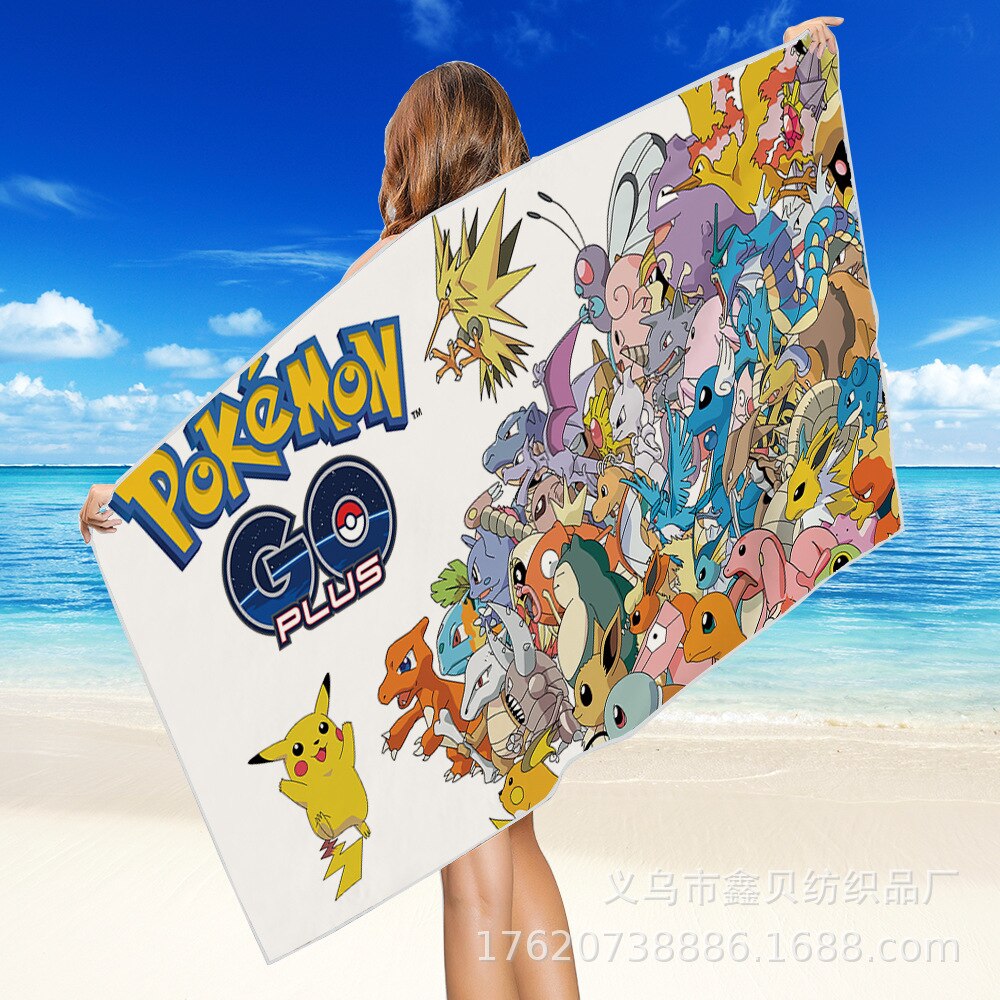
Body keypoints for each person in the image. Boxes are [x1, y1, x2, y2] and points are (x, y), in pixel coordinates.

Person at [79, 17, 842, 998]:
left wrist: (142, 511)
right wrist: (793, 80)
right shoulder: (540, 259)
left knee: (471, 885)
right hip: (530, 607)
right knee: (518, 850)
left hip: (454, 623)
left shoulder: (386, 272)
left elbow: (267, 438)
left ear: (414, 158)